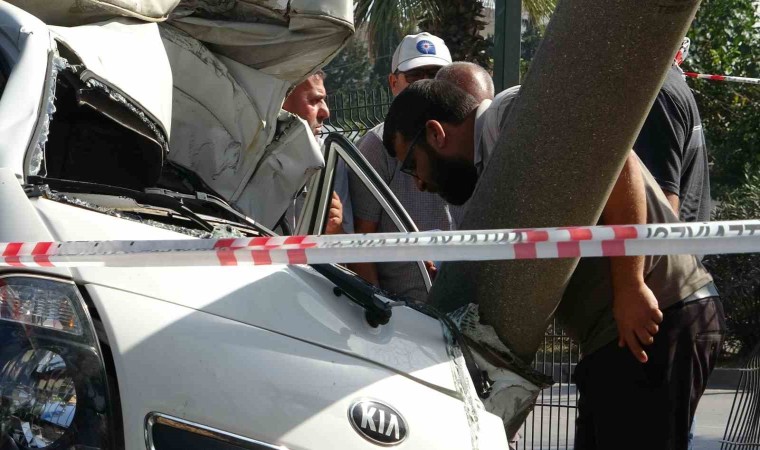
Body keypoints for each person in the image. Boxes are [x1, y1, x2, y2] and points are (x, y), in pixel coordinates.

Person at [383, 79, 725, 449]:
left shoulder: (514, 116)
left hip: (654, 316)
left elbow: (618, 163)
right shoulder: (490, 164)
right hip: (614, 338)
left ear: (435, 134)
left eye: (412, 165)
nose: (418, 184)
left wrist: (631, 284)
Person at [348, 32, 453, 303]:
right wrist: (382, 309)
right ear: (393, 83)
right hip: (403, 312)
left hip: (461, 306)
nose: (426, 84)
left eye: (436, 75)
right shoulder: (376, 146)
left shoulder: (465, 138)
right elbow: (361, 241)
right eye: (415, 76)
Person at [634, 64, 710, 223]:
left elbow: (660, 220)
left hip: (671, 237)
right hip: (686, 235)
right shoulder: (666, 85)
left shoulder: (655, 96)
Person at [282, 71, 345, 234]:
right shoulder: (236, 160)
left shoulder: (329, 159)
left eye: (323, 100)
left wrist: (334, 228)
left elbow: (346, 243)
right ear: (281, 101)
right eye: (314, 100)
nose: (325, 112)